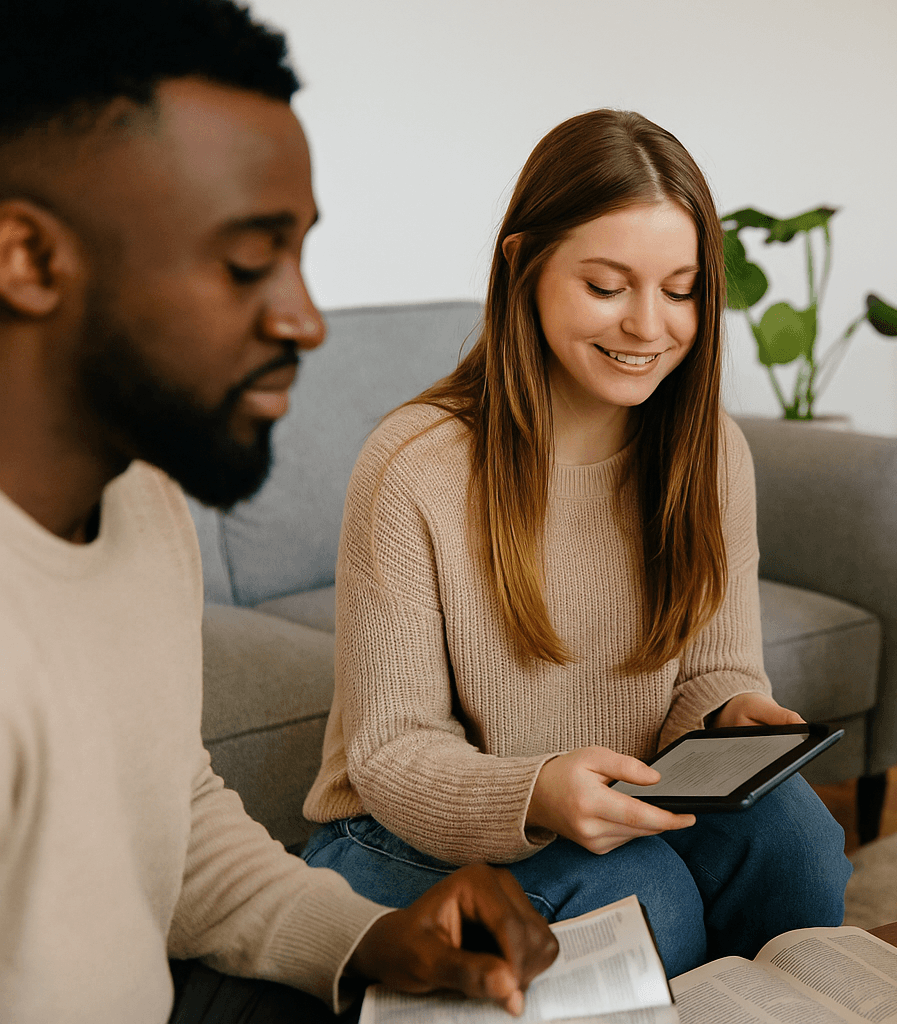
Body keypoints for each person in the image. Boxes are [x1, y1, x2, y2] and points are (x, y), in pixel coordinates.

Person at [0, 3, 562, 1022]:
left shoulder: (142, 502)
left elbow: (169, 820)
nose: (304, 318)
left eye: (300, 253)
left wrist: (370, 935)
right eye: (247, 261)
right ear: (30, 261)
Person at [298, 108, 851, 977]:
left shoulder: (711, 456)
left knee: (797, 841)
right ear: (524, 265)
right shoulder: (415, 466)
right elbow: (391, 756)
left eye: (680, 291)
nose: (648, 326)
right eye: (606, 286)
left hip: (620, 799)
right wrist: (538, 790)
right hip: (399, 838)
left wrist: (728, 715)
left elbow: (715, 667)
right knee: (644, 895)